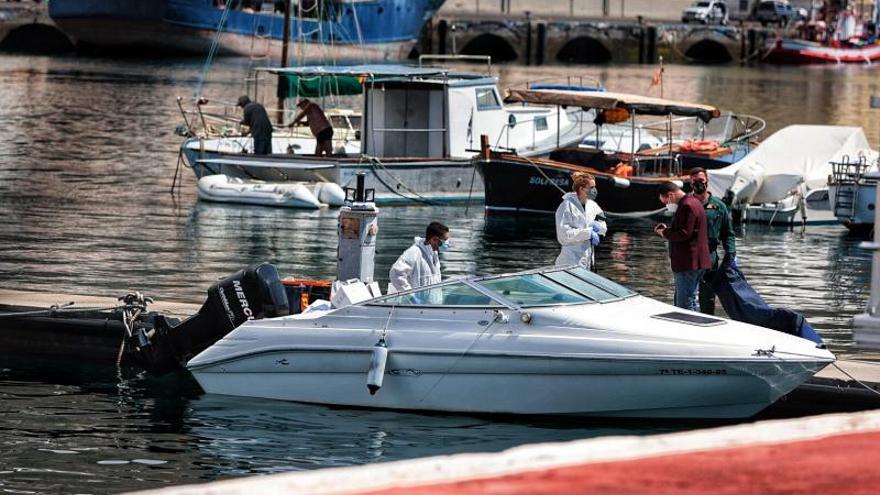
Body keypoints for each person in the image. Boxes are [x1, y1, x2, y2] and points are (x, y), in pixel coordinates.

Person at [655, 181, 711, 312]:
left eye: (666, 202)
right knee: (689, 299)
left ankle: (691, 330)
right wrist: (669, 230)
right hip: (696, 261)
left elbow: (684, 233)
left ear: (670, 195)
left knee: (685, 304)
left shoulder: (686, 205)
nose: (667, 205)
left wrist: (664, 232)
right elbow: (689, 230)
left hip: (688, 263)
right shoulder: (694, 201)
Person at [689, 167, 736, 315]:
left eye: (701, 181)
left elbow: (728, 234)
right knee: (684, 296)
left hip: (709, 257)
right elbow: (677, 232)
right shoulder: (685, 204)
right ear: (690, 183)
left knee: (708, 297)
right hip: (688, 257)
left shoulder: (719, 207)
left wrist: (731, 253)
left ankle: (706, 324)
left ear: (707, 181)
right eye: (695, 181)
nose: (698, 184)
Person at [555, 172, 607, 270]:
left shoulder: (594, 206)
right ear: (581, 189)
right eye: (591, 187)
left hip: (587, 263)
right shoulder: (566, 206)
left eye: (594, 187)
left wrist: (599, 227)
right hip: (569, 263)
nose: (594, 190)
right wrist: (588, 233)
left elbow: (603, 222)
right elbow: (563, 236)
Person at [388, 222, 449, 294]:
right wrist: (410, 295)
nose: (447, 243)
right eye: (445, 240)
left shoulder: (434, 253)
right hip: (415, 304)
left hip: (431, 303)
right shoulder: (414, 252)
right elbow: (395, 273)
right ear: (434, 239)